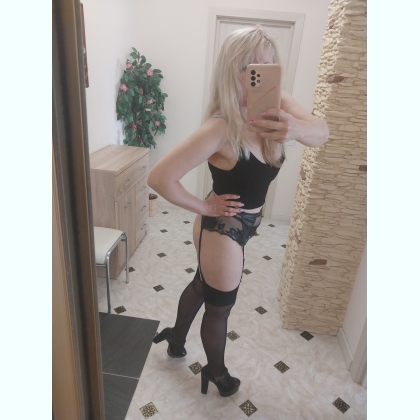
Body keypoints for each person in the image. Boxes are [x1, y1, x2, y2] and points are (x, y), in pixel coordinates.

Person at [147, 25, 329, 397]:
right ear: (232, 71)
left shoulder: (281, 107)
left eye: (268, 65)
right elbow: (160, 177)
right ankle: (216, 373)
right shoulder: (221, 128)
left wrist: (295, 128)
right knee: (220, 308)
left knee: (203, 284)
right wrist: (203, 205)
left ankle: (175, 338)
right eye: (250, 67)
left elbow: (322, 133)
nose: (260, 75)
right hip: (222, 228)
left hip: (246, 222)